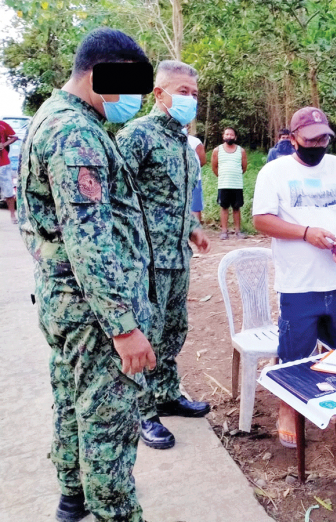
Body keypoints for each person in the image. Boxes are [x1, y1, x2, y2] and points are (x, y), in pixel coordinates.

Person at [17, 27, 156, 522]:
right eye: (134, 86)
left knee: (72, 402)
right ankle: (115, 512)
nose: (138, 99)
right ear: (101, 75)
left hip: (66, 304)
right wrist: (124, 327)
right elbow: (87, 238)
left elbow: (33, 224)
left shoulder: (49, 119)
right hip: (94, 317)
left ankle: (72, 499)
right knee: (108, 425)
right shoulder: (75, 133)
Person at [253, 106, 336, 448]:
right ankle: (288, 408)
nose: (319, 144)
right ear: (293, 139)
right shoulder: (275, 172)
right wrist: (304, 233)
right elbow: (261, 220)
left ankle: (333, 401)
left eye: (325, 138)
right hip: (299, 284)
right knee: (295, 351)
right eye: (311, 139)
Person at [117, 60, 211, 451]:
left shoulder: (183, 143)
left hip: (176, 259)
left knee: (173, 331)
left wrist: (193, 226)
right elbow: (116, 200)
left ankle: (167, 395)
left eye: (193, 93)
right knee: (147, 335)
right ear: (159, 93)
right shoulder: (135, 136)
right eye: (181, 92)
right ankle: (142, 410)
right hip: (144, 262)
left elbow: (176, 198)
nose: (189, 99)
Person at [211, 127, 248, 239]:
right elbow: (214, 166)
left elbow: (244, 167)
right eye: (227, 134)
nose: (229, 136)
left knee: (237, 208)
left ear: (235, 137)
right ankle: (224, 231)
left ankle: (238, 231)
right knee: (224, 207)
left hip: (237, 184)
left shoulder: (241, 151)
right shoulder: (217, 150)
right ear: (223, 136)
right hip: (223, 184)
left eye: (231, 134)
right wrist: (222, 175)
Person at [186, 125, 206, 222]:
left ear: (188, 127)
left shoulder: (195, 142)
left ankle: (196, 231)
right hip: (177, 180)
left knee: (195, 206)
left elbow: (202, 160)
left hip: (194, 179)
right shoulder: (170, 140)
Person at [0, 119, 18, 223]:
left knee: (8, 189)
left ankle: (12, 215)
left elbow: (14, 137)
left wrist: (4, 144)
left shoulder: (2, 125)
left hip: (3, 163)